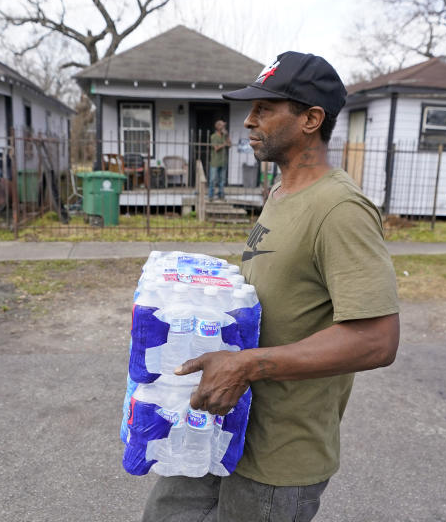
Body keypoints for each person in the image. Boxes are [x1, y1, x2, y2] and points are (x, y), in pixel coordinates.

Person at [142, 51, 400, 522]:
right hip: (222, 420)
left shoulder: (340, 209)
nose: (248, 121)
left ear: (311, 119)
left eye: (265, 108)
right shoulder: (282, 193)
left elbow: (376, 340)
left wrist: (246, 366)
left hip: (279, 453)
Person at [208, 120, 231, 201]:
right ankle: (211, 196)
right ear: (218, 127)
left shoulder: (224, 136)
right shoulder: (213, 136)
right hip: (215, 161)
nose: (224, 127)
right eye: (222, 126)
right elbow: (216, 148)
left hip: (223, 161)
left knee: (222, 180)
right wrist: (224, 144)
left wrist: (227, 135)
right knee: (212, 180)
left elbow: (230, 144)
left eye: (224, 126)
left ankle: (221, 195)